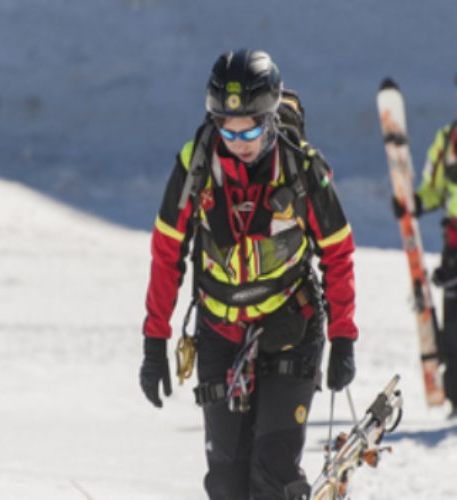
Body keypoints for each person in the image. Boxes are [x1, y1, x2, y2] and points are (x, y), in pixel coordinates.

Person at [139, 49, 358, 499]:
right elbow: (167, 252)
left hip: (290, 327)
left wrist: (344, 338)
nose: (239, 141)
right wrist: (153, 341)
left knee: (272, 476)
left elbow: (338, 253)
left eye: (252, 130)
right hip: (220, 333)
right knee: (226, 483)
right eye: (227, 129)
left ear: (273, 118)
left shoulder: (302, 167)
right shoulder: (195, 166)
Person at [392, 108, 457, 413]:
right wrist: (414, 204)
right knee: (453, 327)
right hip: (454, 246)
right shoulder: (448, 141)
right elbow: (436, 188)